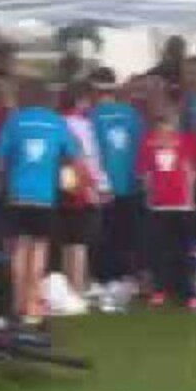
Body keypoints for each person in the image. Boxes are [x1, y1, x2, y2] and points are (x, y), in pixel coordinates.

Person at [0, 79, 78, 324]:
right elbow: (72, 156)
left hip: (17, 193)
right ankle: (32, 306)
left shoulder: (14, 121)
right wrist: (70, 182)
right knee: (39, 250)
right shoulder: (56, 123)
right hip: (44, 196)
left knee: (19, 249)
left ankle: (16, 304)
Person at [138, 109, 196, 308]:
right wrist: (150, 199)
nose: (164, 135)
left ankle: (191, 292)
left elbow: (191, 173)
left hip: (182, 205)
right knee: (160, 250)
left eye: (168, 130)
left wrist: (191, 200)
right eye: (161, 131)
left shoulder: (185, 143)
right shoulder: (148, 146)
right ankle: (160, 290)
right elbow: (145, 176)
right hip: (159, 206)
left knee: (184, 249)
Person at [88, 70, 145, 292]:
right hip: (128, 182)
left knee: (103, 233)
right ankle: (123, 276)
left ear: (95, 91)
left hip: (103, 184)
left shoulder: (92, 116)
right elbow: (140, 146)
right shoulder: (132, 114)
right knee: (125, 233)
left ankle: (103, 276)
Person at [56, 82, 110, 307]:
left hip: (60, 185)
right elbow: (90, 158)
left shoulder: (57, 121)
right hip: (81, 185)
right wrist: (101, 185)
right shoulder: (82, 125)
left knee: (67, 240)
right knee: (79, 241)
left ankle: (68, 290)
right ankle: (77, 292)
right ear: (80, 101)